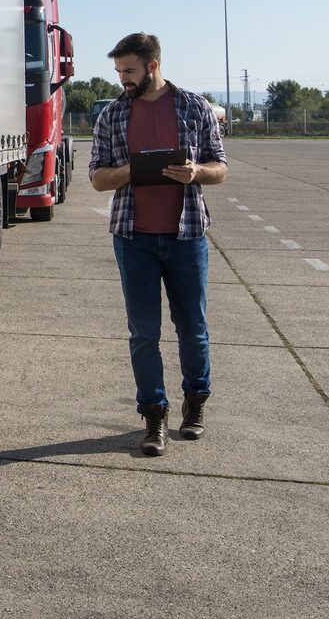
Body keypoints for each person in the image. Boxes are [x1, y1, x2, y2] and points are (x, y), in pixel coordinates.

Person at [89, 32, 227, 455]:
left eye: (128, 71)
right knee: (144, 334)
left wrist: (196, 173)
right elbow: (97, 179)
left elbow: (220, 167)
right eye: (118, 72)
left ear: (152, 65)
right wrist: (132, 169)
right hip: (134, 241)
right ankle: (154, 417)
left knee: (193, 330)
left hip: (186, 237)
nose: (122, 80)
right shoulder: (112, 115)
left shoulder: (193, 107)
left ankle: (196, 403)